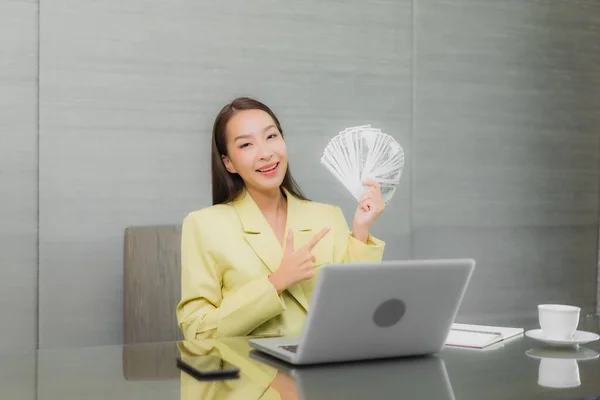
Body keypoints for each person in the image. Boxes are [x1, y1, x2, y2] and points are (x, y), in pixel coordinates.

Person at [176, 97, 386, 341]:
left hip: (323, 373)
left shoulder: (327, 216)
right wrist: (275, 282)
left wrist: (361, 230)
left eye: (271, 136)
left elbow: (357, 309)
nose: (265, 153)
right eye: (246, 145)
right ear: (229, 163)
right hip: (251, 375)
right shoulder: (204, 225)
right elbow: (196, 330)